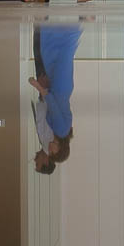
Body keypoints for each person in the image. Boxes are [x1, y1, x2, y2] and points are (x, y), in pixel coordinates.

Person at [29, 22, 81, 173]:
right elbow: (51, 104)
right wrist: (38, 86)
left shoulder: (60, 131)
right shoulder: (61, 129)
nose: (50, 150)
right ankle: (80, 20)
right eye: (53, 152)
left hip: (58, 88)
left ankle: (75, 21)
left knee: (58, 52)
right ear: (58, 150)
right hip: (57, 88)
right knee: (63, 51)